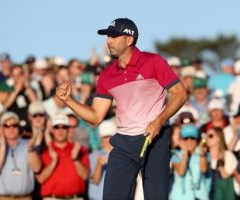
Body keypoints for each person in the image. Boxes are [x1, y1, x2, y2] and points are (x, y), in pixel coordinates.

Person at [56, 18, 188, 200]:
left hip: (155, 140)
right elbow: (95, 117)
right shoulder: (106, 75)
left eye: (114, 36)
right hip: (124, 143)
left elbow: (180, 93)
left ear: (129, 39)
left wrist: (159, 120)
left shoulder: (153, 61)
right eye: (107, 37)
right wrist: (68, 100)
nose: (108, 41)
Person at [0, 112, 41, 200]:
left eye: (14, 125)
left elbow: (37, 168)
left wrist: (30, 149)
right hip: (0, 198)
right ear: (1, 128)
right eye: (7, 125)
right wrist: (3, 146)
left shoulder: (28, 144)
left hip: (24, 197)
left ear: (18, 127)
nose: (11, 128)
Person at [37, 114, 90, 200]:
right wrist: (54, 161)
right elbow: (40, 179)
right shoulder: (44, 150)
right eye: (57, 127)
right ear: (52, 130)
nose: (60, 131)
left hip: (75, 198)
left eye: (64, 127)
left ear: (69, 130)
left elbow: (85, 176)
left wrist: (75, 159)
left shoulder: (80, 149)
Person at [170, 125, 209, 200]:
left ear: (197, 140)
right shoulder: (175, 154)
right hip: (179, 197)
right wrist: (185, 153)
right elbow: (181, 172)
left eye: (192, 138)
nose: (189, 141)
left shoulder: (201, 153)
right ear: (181, 140)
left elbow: (204, 169)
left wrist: (201, 154)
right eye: (186, 138)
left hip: (200, 196)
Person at [88, 120, 116, 200]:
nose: (108, 140)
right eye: (105, 137)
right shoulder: (93, 156)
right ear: (101, 138)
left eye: (110, 136)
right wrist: (99, 165)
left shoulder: (122, 156)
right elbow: (95, 181)